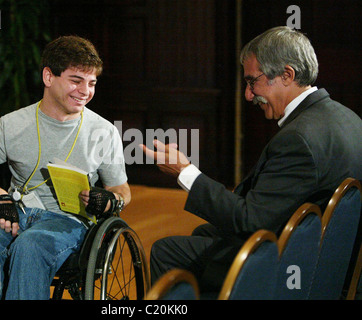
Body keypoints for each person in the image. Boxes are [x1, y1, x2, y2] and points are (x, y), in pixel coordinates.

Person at [141, 26, 362, 297]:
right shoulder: (349, 118)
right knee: (204, 231)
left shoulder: (299, 139)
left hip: (292, 266)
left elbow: (251, 220)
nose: (248, 95)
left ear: (286, 75)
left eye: (252, 82)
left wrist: (184, 172)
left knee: (167, 250)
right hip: (328, 257)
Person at [0, 35, 131, 299]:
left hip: (69, 222)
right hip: (16, 212)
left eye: (91, 83)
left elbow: (121, 189)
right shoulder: (11, 125)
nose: (86, 91)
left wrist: (110, 200)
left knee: (30, 246)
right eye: (76, 80)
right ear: (48, 77)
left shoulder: (103, 132)